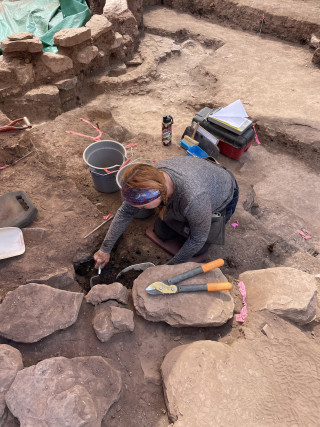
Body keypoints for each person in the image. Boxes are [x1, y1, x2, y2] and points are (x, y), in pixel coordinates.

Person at [94, 156, 238, 268]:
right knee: (162, 233)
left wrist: (170, 267)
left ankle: (191, 223)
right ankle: (184, 222)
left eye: (142, 206)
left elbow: (198, 238)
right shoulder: (150, 179)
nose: (137, 209)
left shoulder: (193, 199)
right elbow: (125, 212)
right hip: (197, 183)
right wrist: (105, 249)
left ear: (160, 195)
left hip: (220, 196)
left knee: (197, 247)